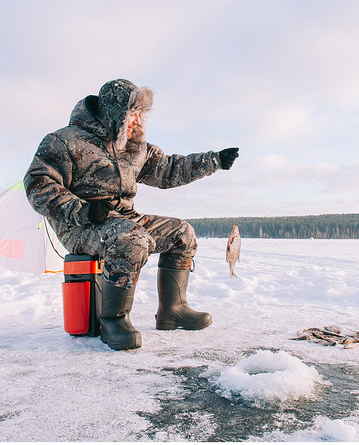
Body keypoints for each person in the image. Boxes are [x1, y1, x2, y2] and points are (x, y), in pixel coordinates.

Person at [24, 79, 239, 351]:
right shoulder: (64, 141)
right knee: (132, 240)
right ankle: (113, 320)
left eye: (141, 114)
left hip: (123, 218)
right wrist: (83, 209)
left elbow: (169, 169)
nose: (137, 121)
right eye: (132, 113)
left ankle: (172, 311)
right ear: (115, 112)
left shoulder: (133, 145)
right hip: (80, 225)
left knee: (182, 233)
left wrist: (215, 160)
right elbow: (37, 184)